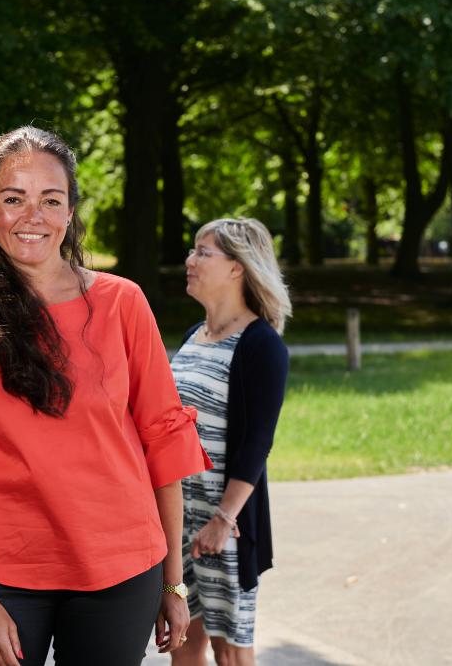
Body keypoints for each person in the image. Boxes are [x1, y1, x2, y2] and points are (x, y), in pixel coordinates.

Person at [0, 126, 211, 666]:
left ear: (69, 211)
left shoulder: (124, 303)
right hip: (9, 572)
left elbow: (163, 444)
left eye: (51, 200)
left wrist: (173, 585)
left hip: (121, 571)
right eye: (13, 199)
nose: (33, 215)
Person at [169, 218, 291, 666]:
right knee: (183, 639)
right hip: (180, 517)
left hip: (224, 526)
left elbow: (258, 442)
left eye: (203, 252)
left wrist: (223, 520)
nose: (190, 260)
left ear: (238, 267)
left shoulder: (262, 344)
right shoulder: (192, 337)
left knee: (230, 650)